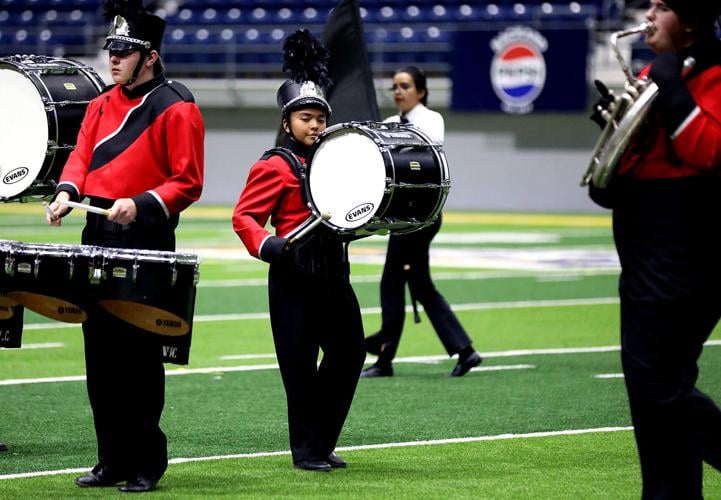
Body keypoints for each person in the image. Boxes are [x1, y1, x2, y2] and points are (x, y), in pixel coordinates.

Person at [45, 0, 204, 492]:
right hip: (97, 233)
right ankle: (109, 460)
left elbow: (189, 181)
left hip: (146, 237)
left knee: (138, 355)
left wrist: (141, 203)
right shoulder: (98, 104)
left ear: (150, 56)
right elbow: (79, 158)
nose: (113, 59)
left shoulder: (178, 105)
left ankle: (145, 462)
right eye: (110, 49)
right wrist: (67, 193)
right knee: (101, 355)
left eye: (124, 51)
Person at [588, 1, 721, 497]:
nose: (648, 14)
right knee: (655, 389)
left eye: (662, 6)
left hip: (690, 243)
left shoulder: (709, 73)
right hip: (643, 244)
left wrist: (673, 92)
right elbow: (620, 174)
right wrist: (611, 131)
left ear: (689, 19)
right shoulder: (654, 72)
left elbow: (709, 151)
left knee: (656, 385)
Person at [232, 29, 366, 472]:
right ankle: (308, 450)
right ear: (288, 122)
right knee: (299, 366)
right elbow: (244, 217)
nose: (315, 126)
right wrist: (267, 245)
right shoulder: (274, 165)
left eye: (320, 119)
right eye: (306, 118)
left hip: (334, 274)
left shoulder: (335, 161)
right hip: (293, 275)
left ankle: (321, 438)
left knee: (350, 353)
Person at [361, 65, 481, 378]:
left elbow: (418, 154)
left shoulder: (431, 120)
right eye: (395, 87)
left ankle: (384, 354)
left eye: (405, 86)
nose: (398, 92)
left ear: (421, 91)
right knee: (418, 285)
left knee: (393, 283)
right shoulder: (388, 123)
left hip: (421, 217)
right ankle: (464, 351)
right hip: (402, 217)